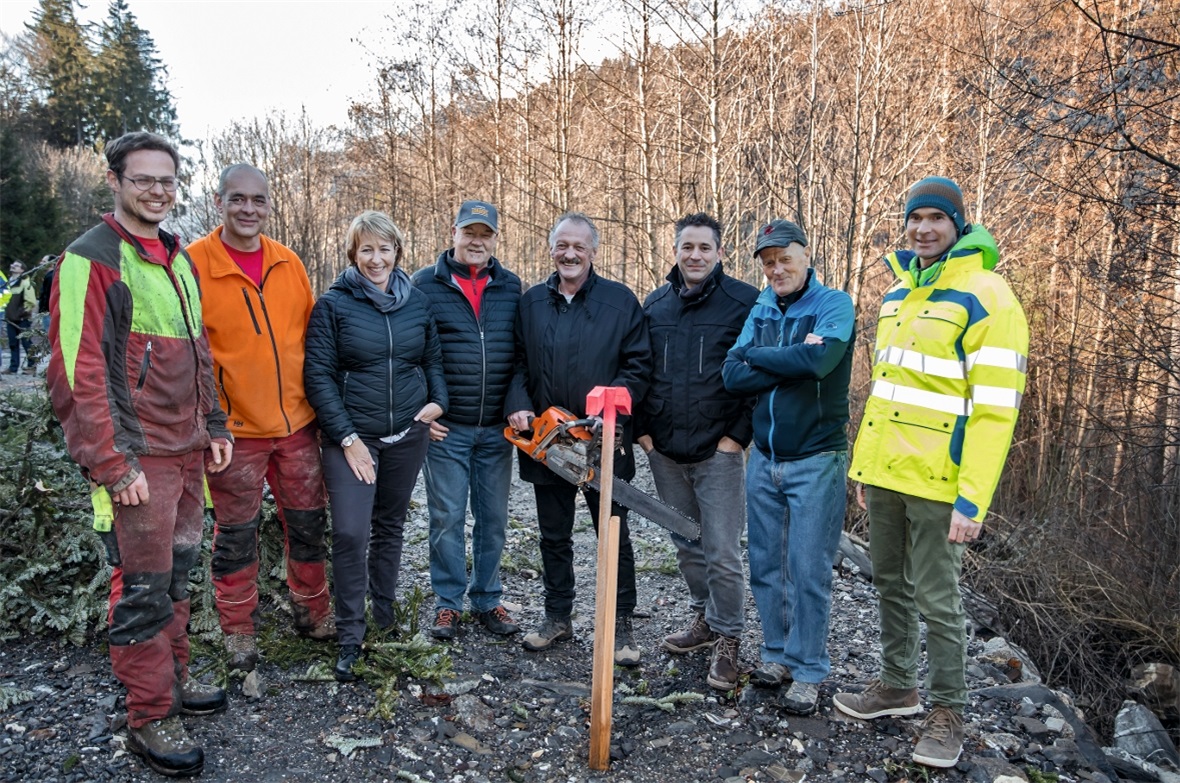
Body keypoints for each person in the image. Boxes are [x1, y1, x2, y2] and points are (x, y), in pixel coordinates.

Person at [47, 131, 232, 778]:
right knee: (142, 589)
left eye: (166, 179)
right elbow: (77, 371)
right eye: (143, 179)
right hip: (138, 459)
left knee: (178, 581)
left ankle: (173, 684)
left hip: (184, 453)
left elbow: (198, 350)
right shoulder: (91, 258)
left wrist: (213, 421)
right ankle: (149, 714)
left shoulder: (177, 258)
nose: (157, 190)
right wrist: (110, 461)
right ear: (115, 180)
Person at [833, 177, 1029, 768]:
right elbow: (886, 393)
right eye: (915, 218)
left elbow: (996, 408)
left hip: (943, 481)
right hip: (888, 473)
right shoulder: (897, 295)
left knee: (939, 600)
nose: (923, 229)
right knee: (888, 582)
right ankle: (897, 686)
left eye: (936, 219)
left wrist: (974, 500)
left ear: (958, 225)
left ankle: (948, 712)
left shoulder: (987, 295)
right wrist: (864, 468)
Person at [187, 164, 334, 672]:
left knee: (309, 524)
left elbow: (313, 342)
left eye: (258, 200)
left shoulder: (288, 262)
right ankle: (237, 630)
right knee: (235, 532)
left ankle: (312, 613)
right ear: (218, 201)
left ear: (269, 205)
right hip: (234, 432)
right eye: (237, 199)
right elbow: (193, 355)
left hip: (297, 424)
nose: (248, 209)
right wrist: (212, 420)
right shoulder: (194, 265)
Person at [303, 210, 447, 682]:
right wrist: (346, 438)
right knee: (349, 532)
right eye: (366, 249)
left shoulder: (417, 302)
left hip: (408, 433)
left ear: (397, 252)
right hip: (351, 439)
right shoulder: (333, 305)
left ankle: (382, 618)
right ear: (353, 253)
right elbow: (318, 376)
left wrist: (437, 403)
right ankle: (350, 634)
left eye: (384, 248)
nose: (376, 258)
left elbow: (432, 359)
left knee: (390, 526)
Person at [506, 211, 652, 666]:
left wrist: (609, 411)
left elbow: (638, 367)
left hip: (600, 440)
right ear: (551, 249)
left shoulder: (619, 301)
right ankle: (557, 616)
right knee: (553, 534)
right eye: (561, 245)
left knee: (612, 532)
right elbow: (517, 363)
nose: (570, 254)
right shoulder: (531, 303)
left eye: (579, 246)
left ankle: (620, 622)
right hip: (548, 441)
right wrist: (517, 402)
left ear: (593, 251)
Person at [722, 219, 854, 715]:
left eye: (784, 258)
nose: (776, 268)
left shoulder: (833, 304)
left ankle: (809, 668)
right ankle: (775, 655)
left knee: (808, 567)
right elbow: (732, 374)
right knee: (766, 565)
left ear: (805, 254)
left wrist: (761, 356)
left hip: (816, 458)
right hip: (765, 458)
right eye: (768, 261)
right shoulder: (761, 306)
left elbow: (819, 365)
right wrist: (785, 356)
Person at [636, 212, 758, 691]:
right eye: (687, 246)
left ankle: (729, 638)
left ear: (720, 252)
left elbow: (756, 375)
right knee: (687, 544)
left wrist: (737, 437)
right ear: (675, 250)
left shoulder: (744, 302)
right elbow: (641, 371)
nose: (695, 255)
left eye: (705, 248)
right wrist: (644, 433)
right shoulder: (656, 304)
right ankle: (704, 620)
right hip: (665, 450)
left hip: (719, 452)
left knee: (723, 551)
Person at [411, 200, 522, 640]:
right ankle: (447, 603)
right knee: (447, 517)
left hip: (497, 428)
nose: (477, 241)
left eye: (486, 234)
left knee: (493, 518)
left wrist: (516, 403)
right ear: (452, 232)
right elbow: (409, 353)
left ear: (495, 238)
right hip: (446, 429)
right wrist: (421, 412)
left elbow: (522, 357)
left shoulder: (511, 287)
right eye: (469, 232)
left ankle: (488, 599)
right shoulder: (423, 284)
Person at [4, 260, 38, 374]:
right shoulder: (8, 282)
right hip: (10, 319)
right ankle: (13, 368)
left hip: (22, 319)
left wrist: (22, 314)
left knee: (26, 343)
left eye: (17, 265)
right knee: (13, 343)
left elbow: (31, 302)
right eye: (13, 264)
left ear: (22, 270)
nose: (13, 266)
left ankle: (31, 366)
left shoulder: (25, 283)